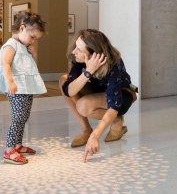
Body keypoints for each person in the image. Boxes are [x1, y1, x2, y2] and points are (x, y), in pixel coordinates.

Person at [59, 29, 137, 163]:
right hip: (100, 90)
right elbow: (68, 90)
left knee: (83, 106)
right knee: (63, 81)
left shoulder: (114, 63)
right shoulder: (79, 59)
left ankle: (117, 121)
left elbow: (114, 104)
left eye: (78, 49)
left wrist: (96, 136)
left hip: (122, 95)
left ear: (93, 54)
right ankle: (86, 130)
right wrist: (88, 71)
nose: (74, 52)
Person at [0, 12, 47, 165]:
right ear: (22, 28)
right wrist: (10, 82)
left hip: (25, 87)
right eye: (33, 37)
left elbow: (30, 66)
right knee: (18, 117)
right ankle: (9, 150)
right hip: (16, 88)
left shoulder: (24, 46)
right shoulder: (11, 45)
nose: (33, 40)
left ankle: (17, 145)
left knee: (23, 116)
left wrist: (34, 53)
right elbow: (5, 64)